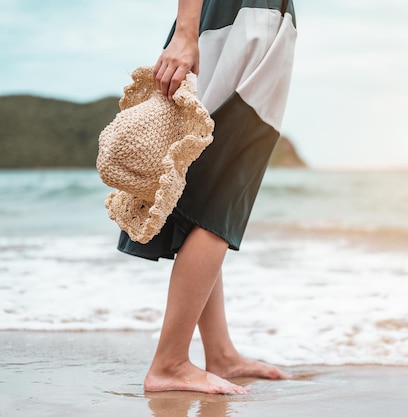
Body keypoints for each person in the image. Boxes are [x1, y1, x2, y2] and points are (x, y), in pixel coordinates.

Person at [116, 0, 297, 395]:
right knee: (223, 191)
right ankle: (171, 363)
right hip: (245, 20)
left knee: (204, 189)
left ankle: (220, 354)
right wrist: (185, 33)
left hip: (237, 20)